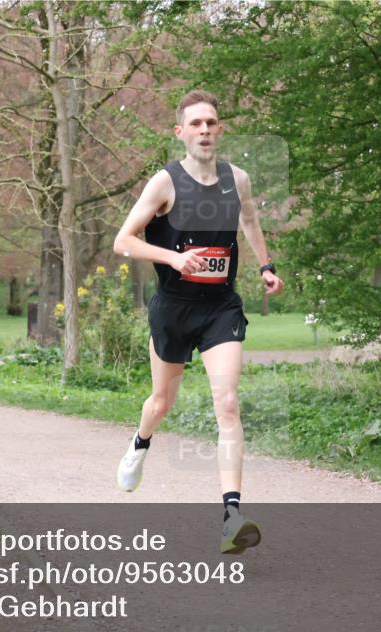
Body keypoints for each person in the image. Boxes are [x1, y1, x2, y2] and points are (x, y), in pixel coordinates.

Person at [112, 90, 283, 555]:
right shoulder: (164, 183)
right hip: (173, 307)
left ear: (219, 129)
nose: (204, 129)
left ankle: (232, 517)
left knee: (227, 402)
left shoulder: (237, 179)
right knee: (160, 402)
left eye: (211, 122)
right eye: (196, 123)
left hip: (219, 307)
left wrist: (265, 266)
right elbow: (123, 241)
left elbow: (250, 222)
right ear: (181, 132)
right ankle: (140, 443)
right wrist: (173, 258)